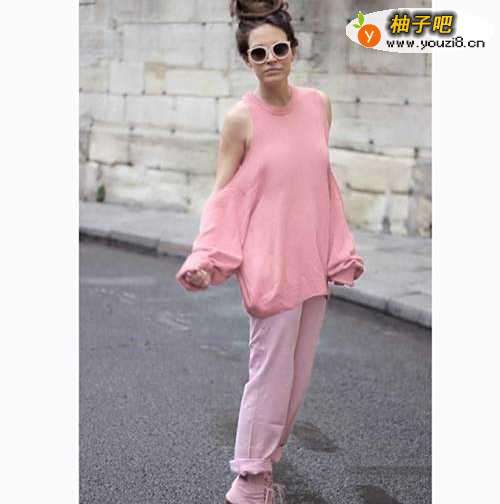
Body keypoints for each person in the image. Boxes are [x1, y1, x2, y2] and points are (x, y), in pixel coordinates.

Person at [176, 1, 365, 502]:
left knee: (295, 382)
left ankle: (263, 474)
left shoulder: (319, 105)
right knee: (269, 378)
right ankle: (248, 483)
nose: (271, 60)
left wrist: (339, 251)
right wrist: (206, 258)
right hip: (269, 268)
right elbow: (225, 196)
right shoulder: (241, 120)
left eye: (279, 49)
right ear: (247, 60)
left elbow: (322, 186)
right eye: (258, 54)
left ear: (294, 50)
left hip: (311, 267)